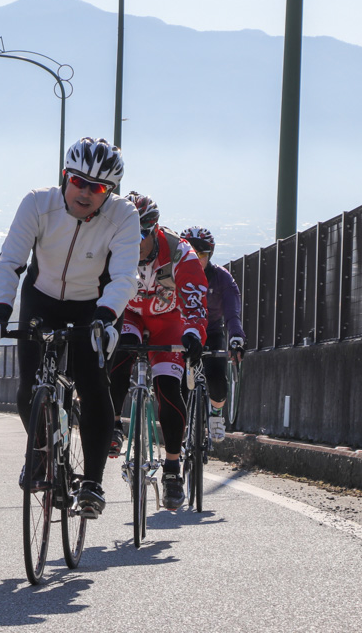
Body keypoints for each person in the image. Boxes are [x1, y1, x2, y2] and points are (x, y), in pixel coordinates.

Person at [0, 137, 140, 519]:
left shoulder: (124, 216)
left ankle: (93, 483)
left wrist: (107, 318)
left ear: (109, 192)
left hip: (92, 306)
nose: (84, 192)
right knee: (28, 387)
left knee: (93, 386)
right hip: (42, 297)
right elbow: (10, 262)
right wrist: (0, 313)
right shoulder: (37, 203)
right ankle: (38, 453)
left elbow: (123, 278)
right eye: (77, 181)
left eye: (97, 187)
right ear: (64, 176)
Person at [108, 192, 208, 511]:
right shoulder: (112, 248)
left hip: (168, 320)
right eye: (125, 236)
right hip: (132, 314)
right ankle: (112, 424)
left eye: (139, 237)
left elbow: (194, 298)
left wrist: (194, 333)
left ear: (154, 231)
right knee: (121, 353)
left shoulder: (179, 252)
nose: (132, 245)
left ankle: (172, 470)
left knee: (167, 387)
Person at [179, 226, 245, 442]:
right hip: (182, 333)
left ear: (210, 255)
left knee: (217, 377)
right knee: (177, 384)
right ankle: (181, 425)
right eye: (191, 254)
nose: (197, 260)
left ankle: (216, 414)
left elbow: (232, 313)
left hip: (212, 332)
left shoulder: (221, 278)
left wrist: (236, 337)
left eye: (202, 255)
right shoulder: (173, 274)